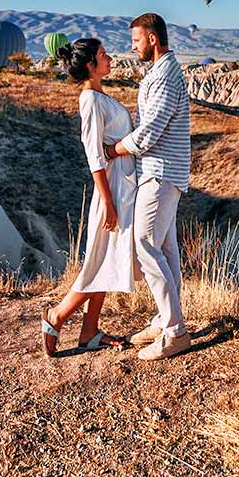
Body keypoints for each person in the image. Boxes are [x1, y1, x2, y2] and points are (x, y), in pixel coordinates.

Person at [40, 37, 138, 355]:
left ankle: (89, 332)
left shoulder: (99, 95)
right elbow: (94, 155)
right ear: (90, 66)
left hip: (121, 186)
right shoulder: (91, 101)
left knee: (106, 258)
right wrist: (107, 201)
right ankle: (57, 315)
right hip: (112, 189)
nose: (110, 58)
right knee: (102, 260)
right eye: (102, 55)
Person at [108, 12, 192, 360]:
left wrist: (114, 150)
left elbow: (149, 132)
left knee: (144, 246)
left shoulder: (165, 76)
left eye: (137, 41)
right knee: (166, 249)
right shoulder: (160, 73)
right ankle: (164, 320)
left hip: (160, 172)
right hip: (161, 172)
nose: (134, 48)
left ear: (153, 39)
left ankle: (175, 332)